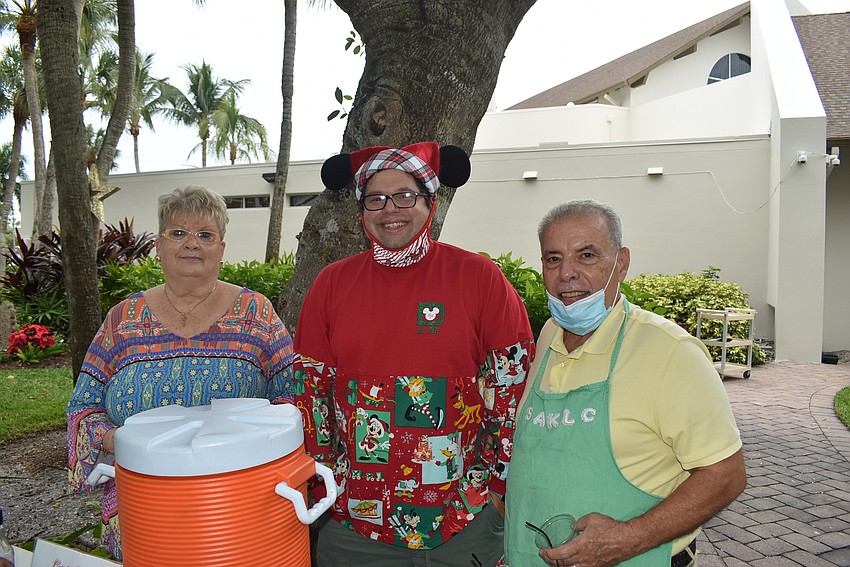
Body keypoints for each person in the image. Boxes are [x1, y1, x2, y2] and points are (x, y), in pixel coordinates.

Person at [293, 142, 535, 566]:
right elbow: (311, 397)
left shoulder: (479, 277)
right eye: (376, 198)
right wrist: (327, 494)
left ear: (431, 202)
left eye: (406, 195)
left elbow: (512, 390)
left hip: (463, 519)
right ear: (361, 209)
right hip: (355, 526)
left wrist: (496, 492)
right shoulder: (331, 284)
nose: (391, 209)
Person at [504, 199, 746, 567]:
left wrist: (628, 539)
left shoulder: (670, 351)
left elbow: (726, 475)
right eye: (553, 259)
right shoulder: (549, 334)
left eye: (586, 255)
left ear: (622, 263)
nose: (566, 273)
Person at [66, 185, 295, 560]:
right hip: (142, 505)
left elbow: (294, 399)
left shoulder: (257, 312)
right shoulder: (123, 319)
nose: (192, 244)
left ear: (220, 249)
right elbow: (83, 406)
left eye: (205, 234)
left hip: (239, 505)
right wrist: (113, 440)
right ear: (159, 245)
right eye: (178, 233)